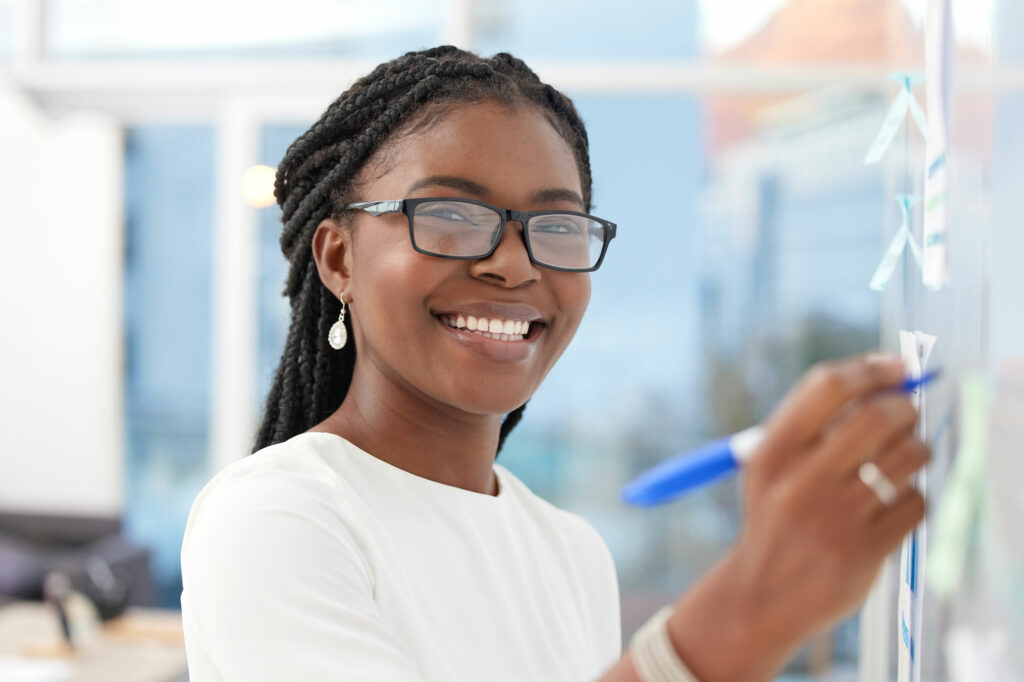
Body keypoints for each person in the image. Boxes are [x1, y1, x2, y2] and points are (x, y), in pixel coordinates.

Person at [179, 46, 928, 681]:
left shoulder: (573, 552)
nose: (513, 265)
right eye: (450, 215)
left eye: (556, 227)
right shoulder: (276, 517)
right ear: (339, 258)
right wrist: (739, 620)